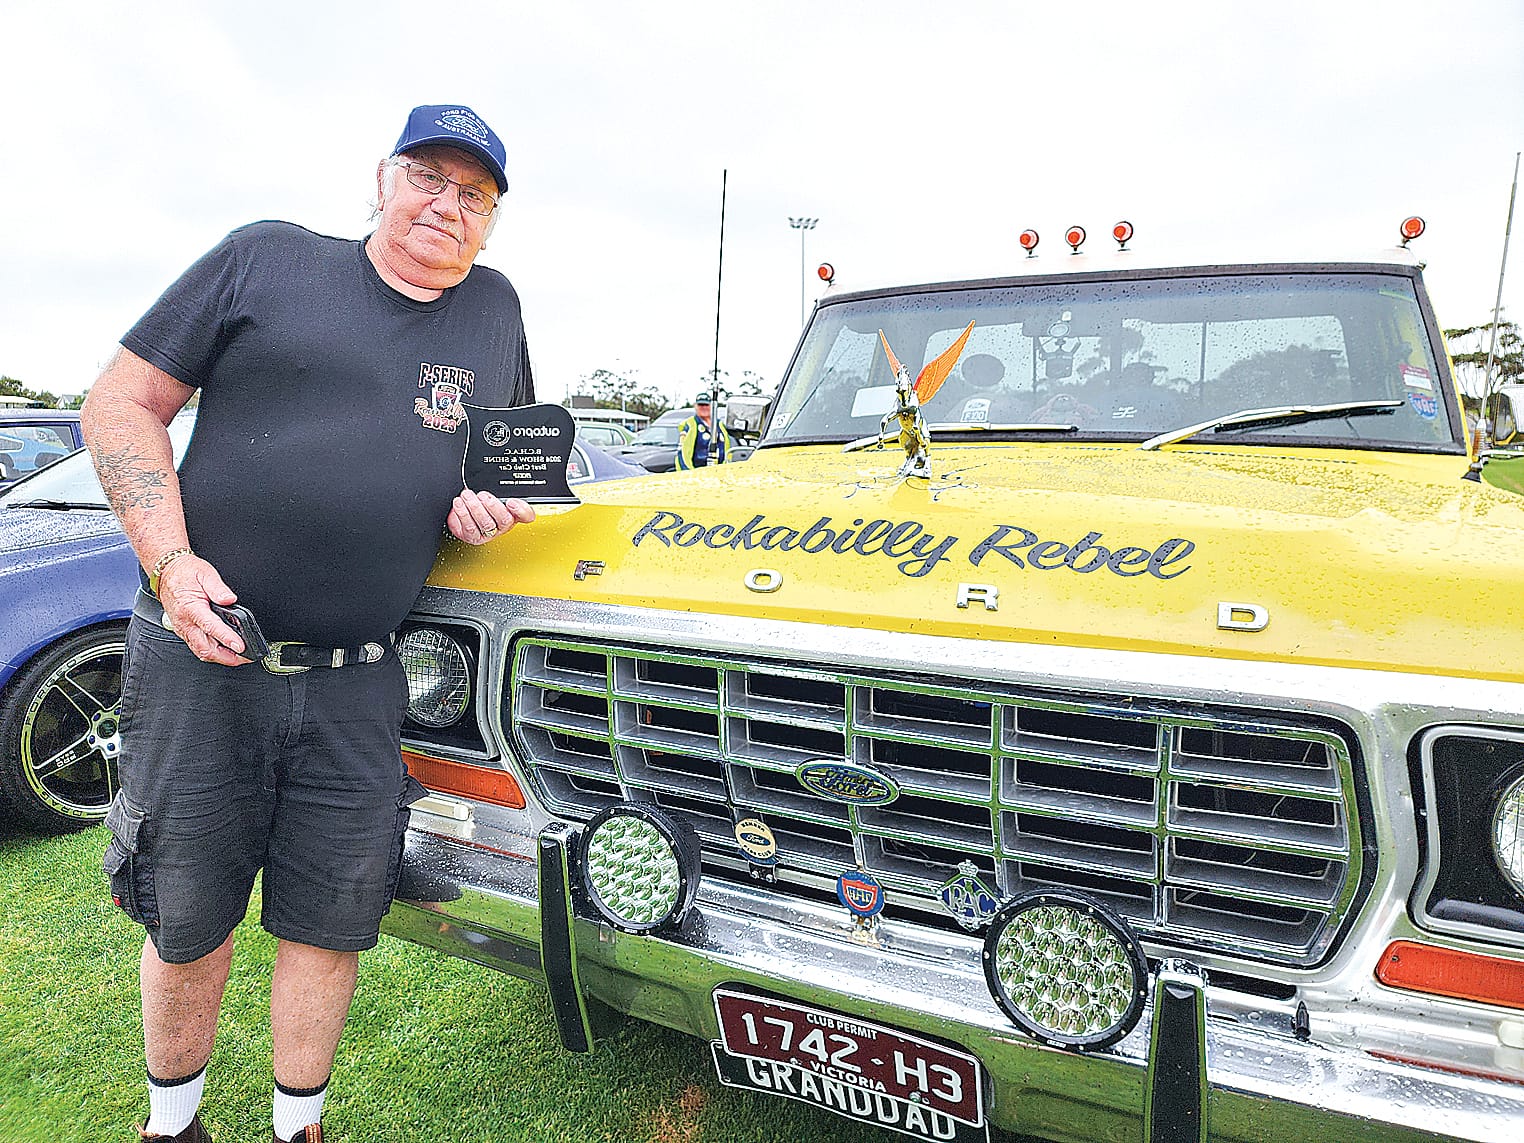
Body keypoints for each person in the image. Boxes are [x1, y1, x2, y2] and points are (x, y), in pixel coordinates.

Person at [79, 104, 535, 1143]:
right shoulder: (265, 260)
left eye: (475, 195)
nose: (446, 206)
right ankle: (172, 1124)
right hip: (207, 658)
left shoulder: (497, 310)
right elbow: (118, 405)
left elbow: (506, 477)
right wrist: (172, 559)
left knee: (330, 919)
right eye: (428, 177)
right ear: (381, 178)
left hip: (359, 681)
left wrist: (487, 509)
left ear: (493, 221)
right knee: (187, 918)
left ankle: (301, 1128)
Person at [674, 391, 732, 469]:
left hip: (719, 471)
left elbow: (727, 449)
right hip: (698, 472)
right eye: (700, 405)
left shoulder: (720, 425)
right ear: (695, 406)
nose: (704, 408)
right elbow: (683, 455)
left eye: (706, 405)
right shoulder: (691, 425)